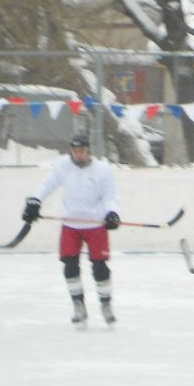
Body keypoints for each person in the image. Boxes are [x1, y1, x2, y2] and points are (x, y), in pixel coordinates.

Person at [21, 133, 121, 328]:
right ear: (71, 152)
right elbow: (47, 185)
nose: (79, 154)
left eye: (82, 151)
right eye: (75, 151)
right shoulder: (63, 166)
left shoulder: (102, 170)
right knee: (70, 267)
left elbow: (111, 196)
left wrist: (112, 213)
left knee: (100, 268)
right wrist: (35, 201)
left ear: (88, 151)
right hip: (71, 225)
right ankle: (78, 306)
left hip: (96, 225)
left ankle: (106, 305)